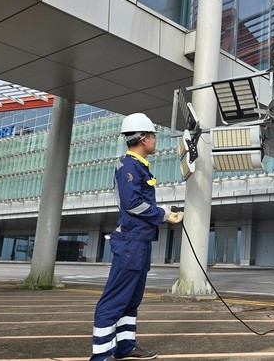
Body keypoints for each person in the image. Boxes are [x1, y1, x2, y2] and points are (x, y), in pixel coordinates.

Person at [90, 113, 183, 361]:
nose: (155, 140)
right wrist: (162, 214)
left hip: (140, 242)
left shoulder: (139, 166)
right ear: (143, 138)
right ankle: (101, 355)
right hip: (131, 241)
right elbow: (132, 204)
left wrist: (161, 212)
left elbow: (139, 202)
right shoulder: (129, 166)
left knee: (131, 299)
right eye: (153, 136)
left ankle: (125, 346)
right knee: (114, 300)